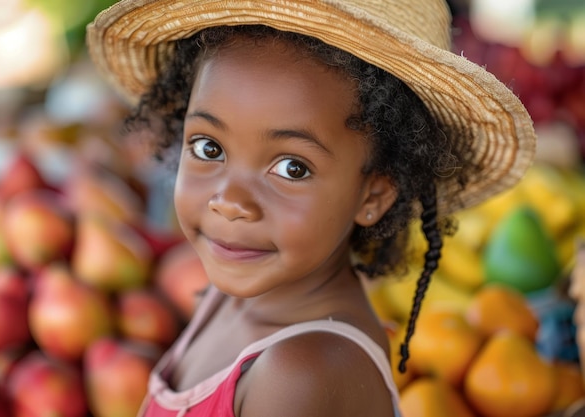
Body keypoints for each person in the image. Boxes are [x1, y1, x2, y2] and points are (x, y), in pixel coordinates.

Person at [86, 1, 536, 416]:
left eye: (292, 168)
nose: (230, 202)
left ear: (374, 196)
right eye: (208, 147)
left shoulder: (303, 374)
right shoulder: (236, 290)